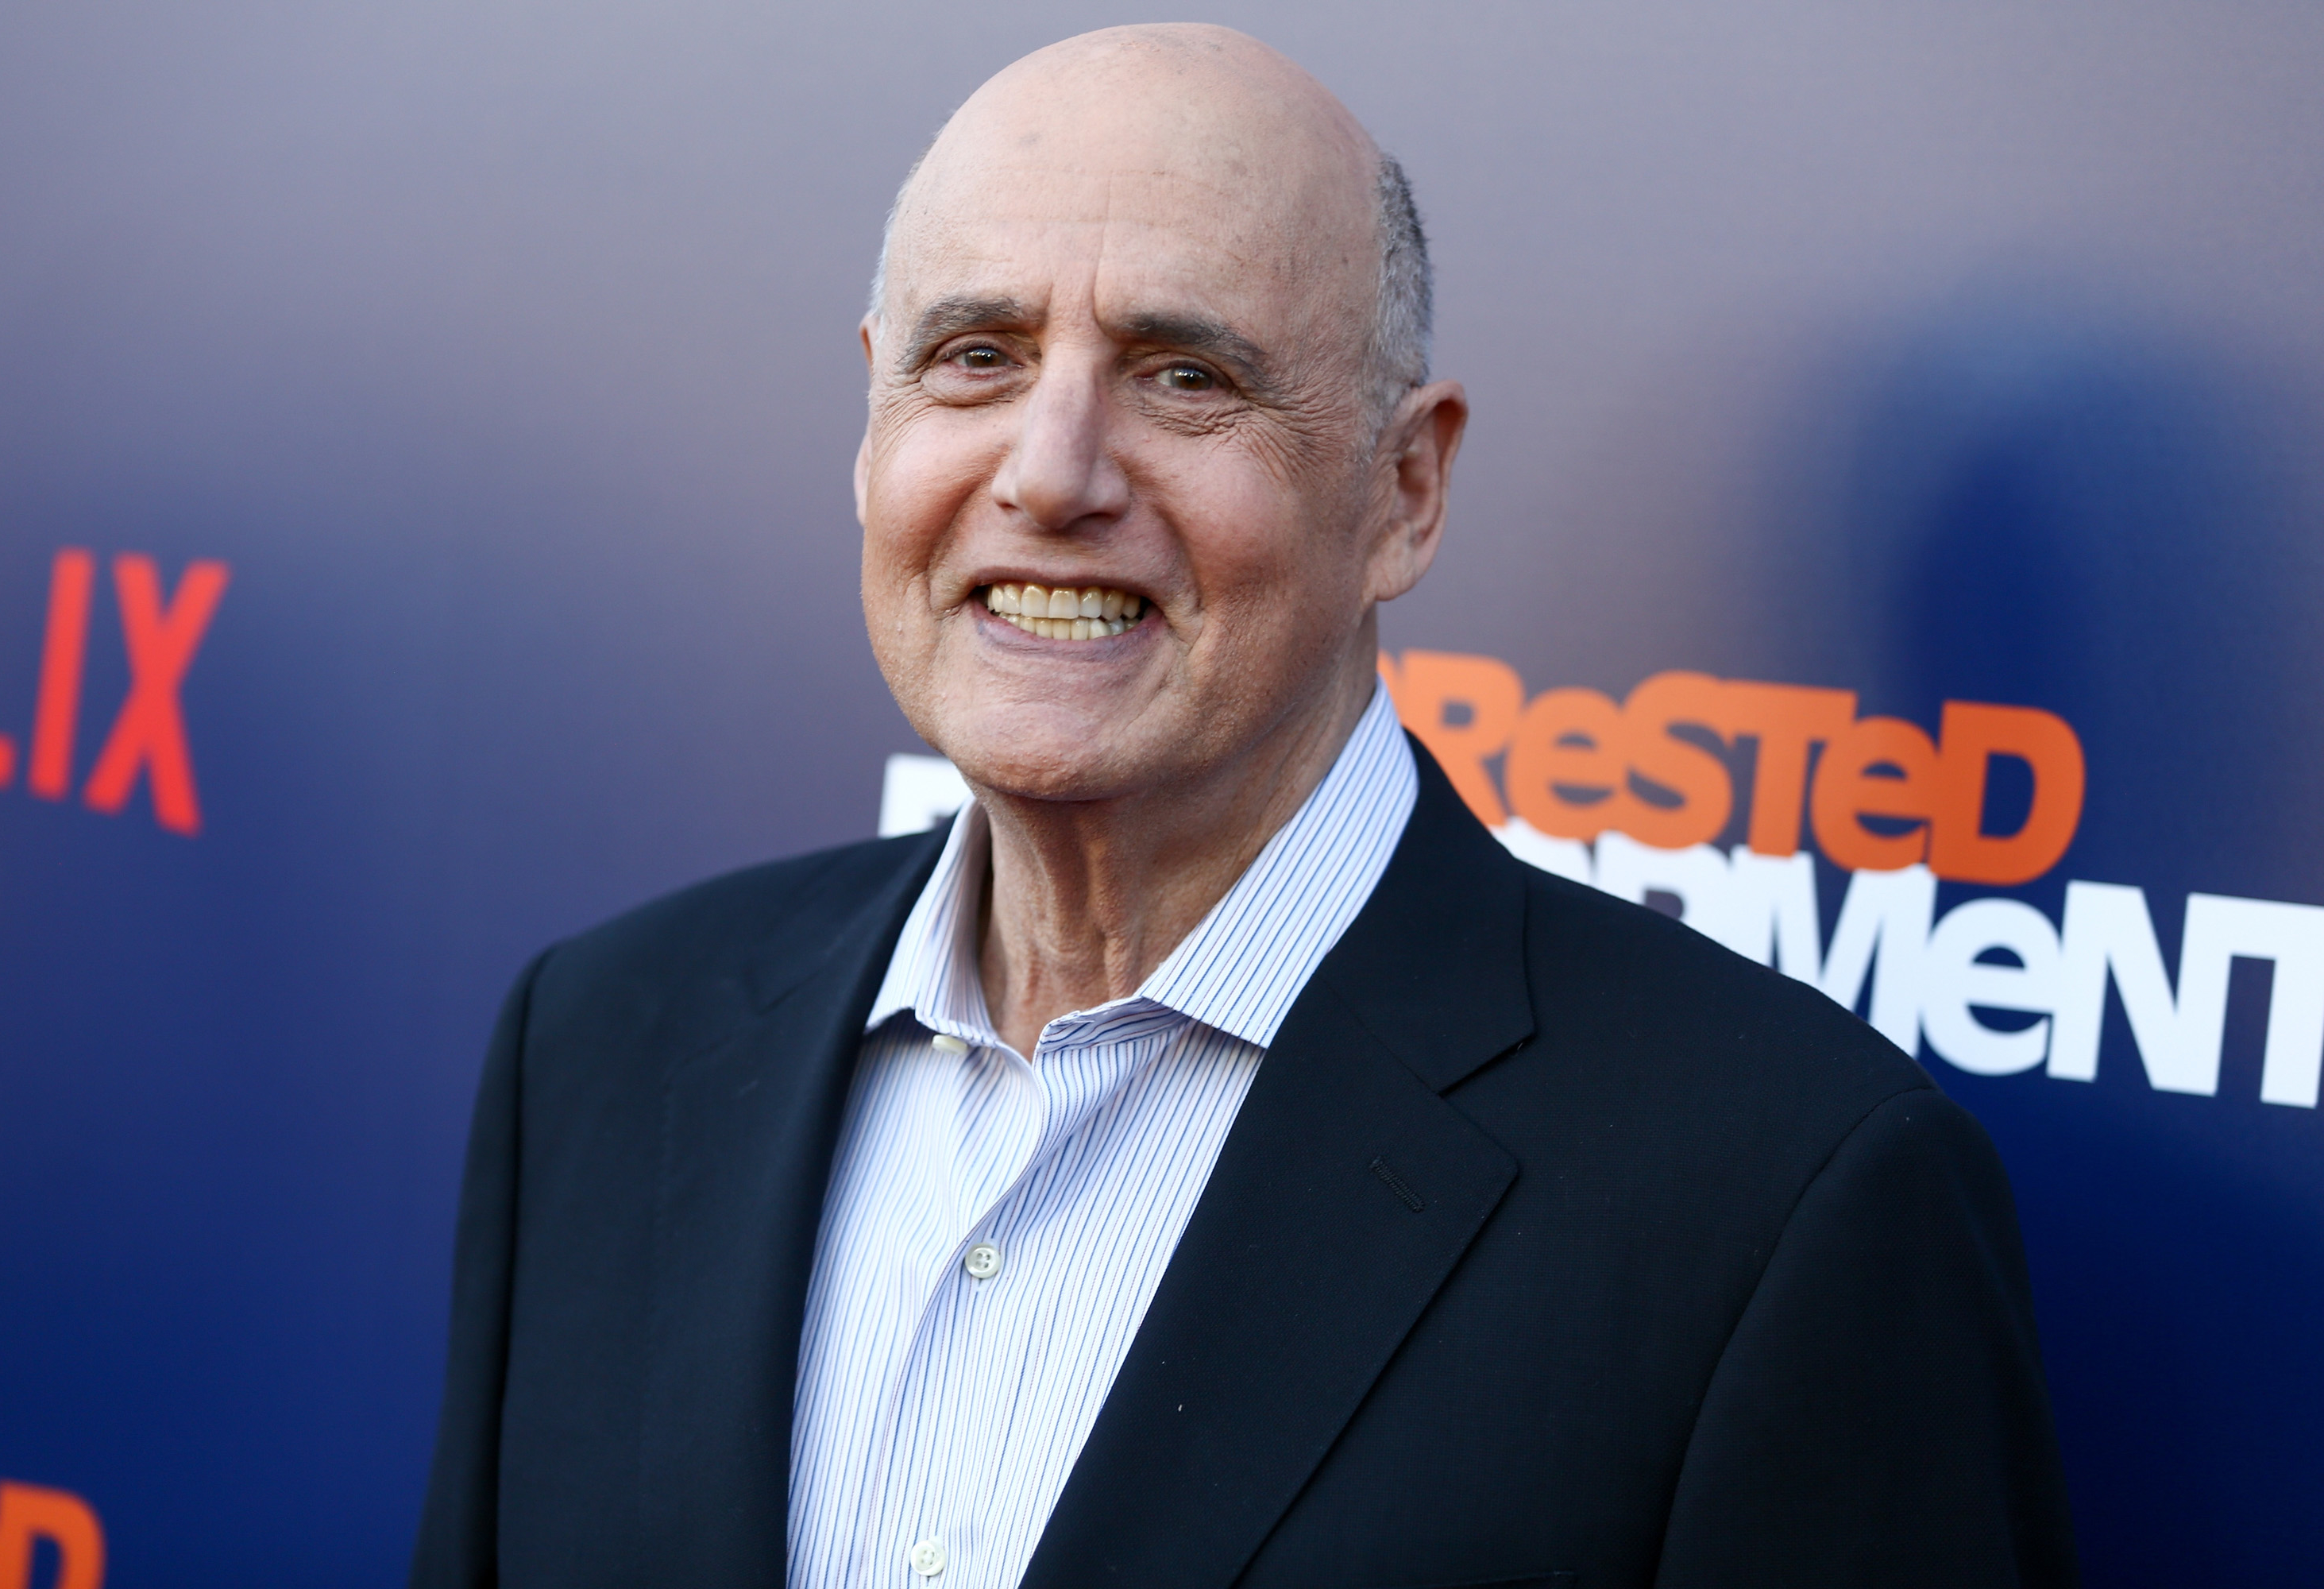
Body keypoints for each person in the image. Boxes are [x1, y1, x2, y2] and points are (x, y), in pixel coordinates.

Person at [411, 24, 2075, 1589]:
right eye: (975, 357)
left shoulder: (1785, 1201)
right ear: (873, 426)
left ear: (1404, 490)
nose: (1052, 471)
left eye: (1184, 375)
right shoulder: (606, 1046)